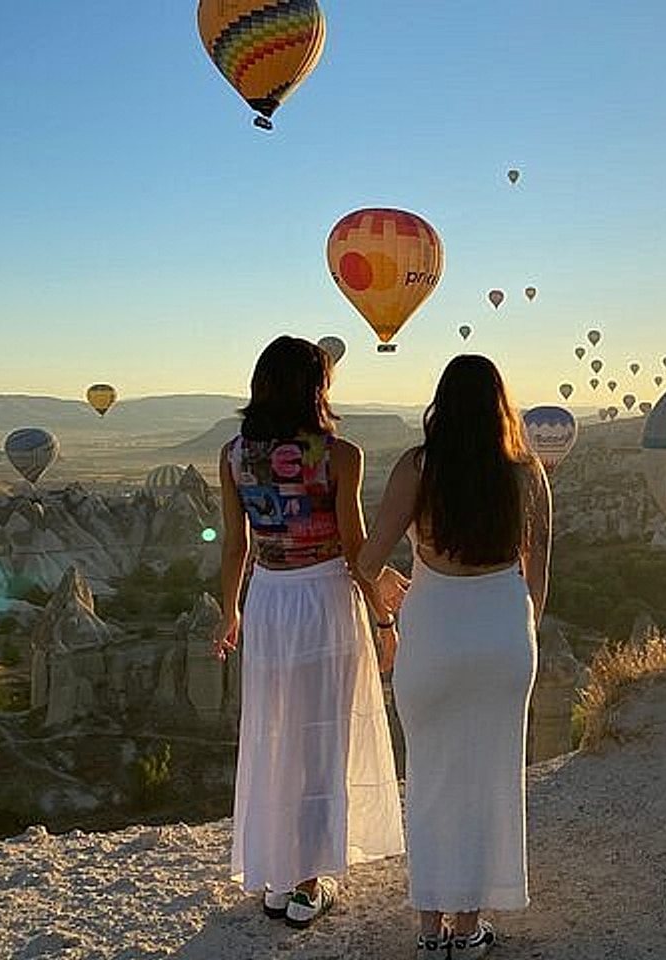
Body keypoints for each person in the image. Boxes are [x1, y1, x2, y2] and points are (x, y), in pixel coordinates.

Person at [358, 355, 552, 959]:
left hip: (434, 634)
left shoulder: (418, 468)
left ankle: (428, 929)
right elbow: (536, 576)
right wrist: (519, 633)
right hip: (502, 633)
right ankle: (469, 931)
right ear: (501, 406)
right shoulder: (526, 473)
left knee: (433, 779)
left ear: (441, 405)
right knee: (488, 781)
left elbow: (366, 563)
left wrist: (389, 610)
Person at [212, 335, 408, 926]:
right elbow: (354, 547)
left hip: (268, 598)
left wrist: (230, 613)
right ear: (315, 387)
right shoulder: (339, 455)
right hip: (323, 596)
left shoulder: (233, 455)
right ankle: (307, 883)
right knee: (321, 736)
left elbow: (234, 545)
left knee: (277, 734)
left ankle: (277, 873)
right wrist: (384, 616)